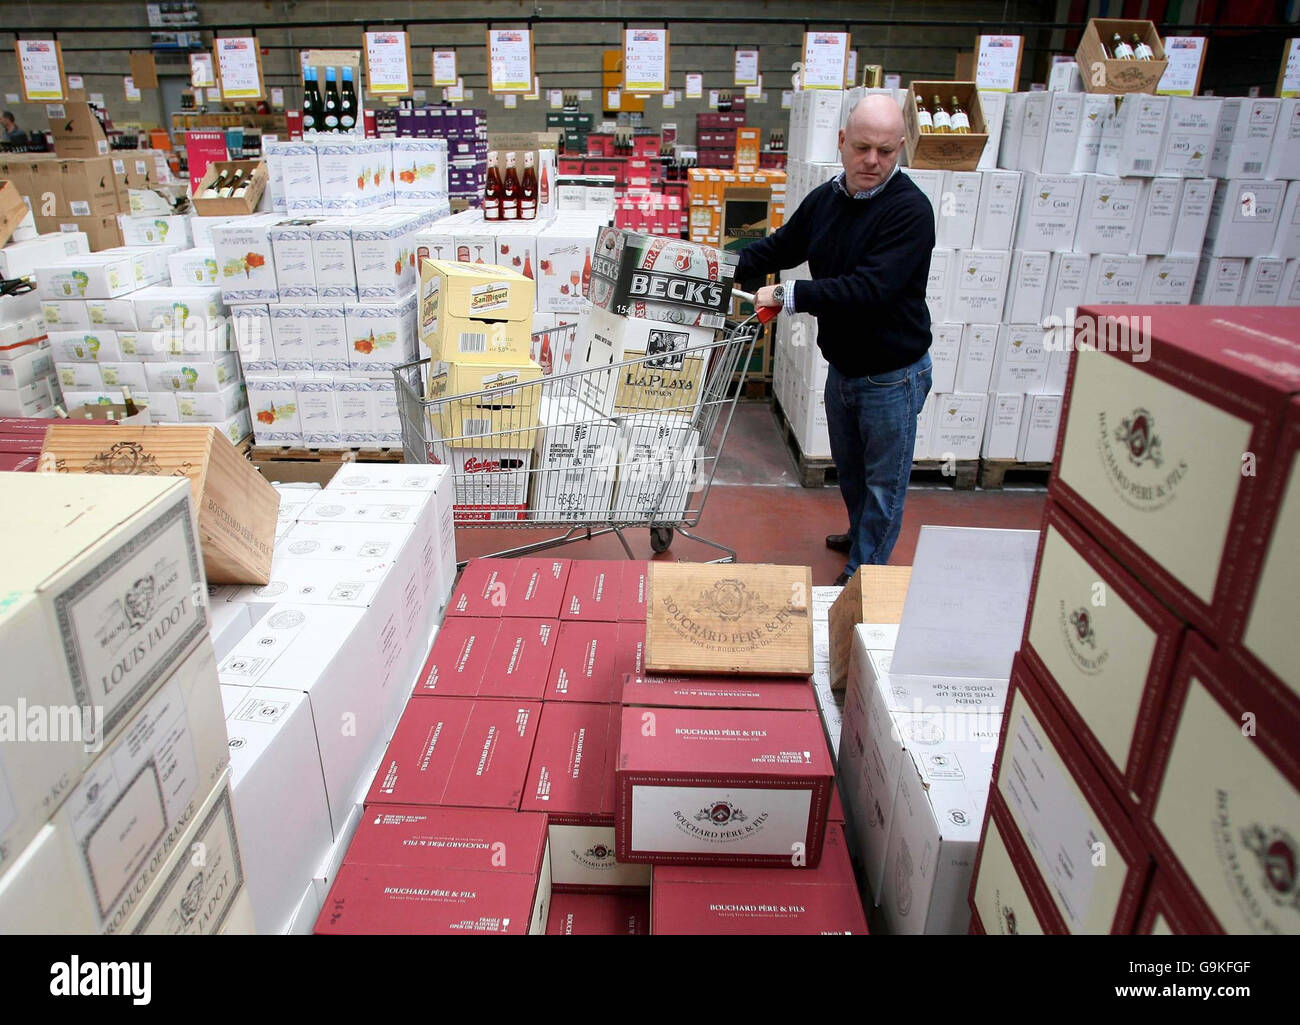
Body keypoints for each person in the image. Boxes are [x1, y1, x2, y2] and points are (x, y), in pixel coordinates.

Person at [737, 93, 935, 586]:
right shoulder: (827, 199)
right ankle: (858, 530)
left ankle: (863, 575)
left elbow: (870, 289)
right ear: (842, 141)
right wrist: (725, 267)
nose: (872, 161)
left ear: (901, 149)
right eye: (863, 147)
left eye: (886, 152)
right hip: (844, 368)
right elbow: (784, 244)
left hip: (893, 375)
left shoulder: (910, 211)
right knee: (851, 470)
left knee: (883, 485)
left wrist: (789, 294)